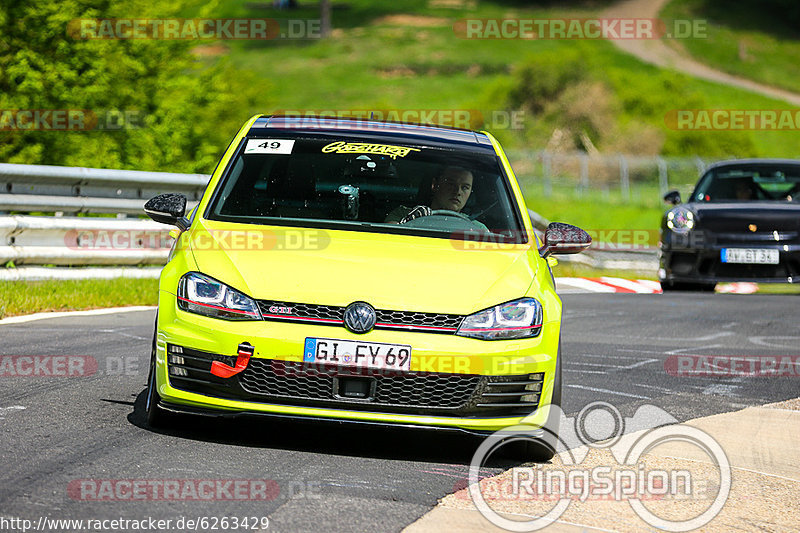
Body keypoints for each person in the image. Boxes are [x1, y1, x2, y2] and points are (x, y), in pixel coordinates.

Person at [385, 166, 475, 224]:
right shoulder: (402, 214)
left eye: (465, 187)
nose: (458, 191)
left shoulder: (476, 228)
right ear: (435, 185)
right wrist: (409, 222)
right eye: (450, 184)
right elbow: (388, 238)